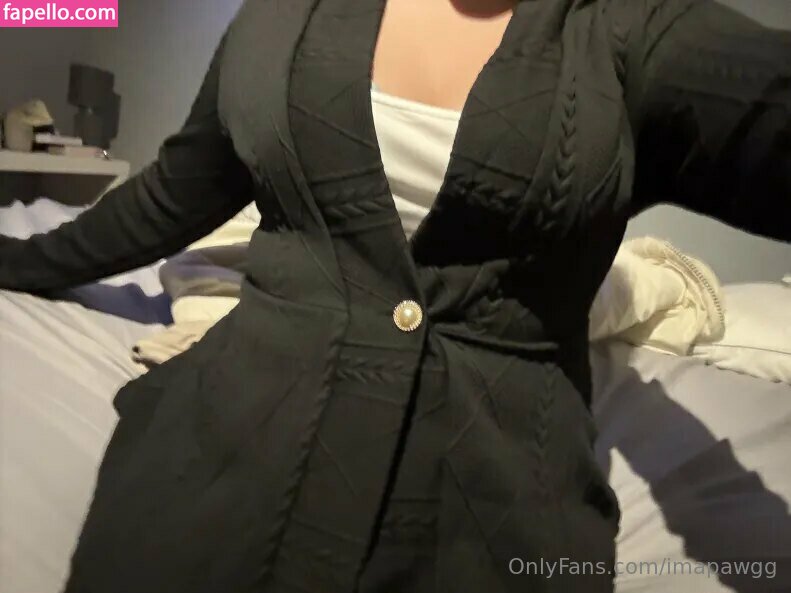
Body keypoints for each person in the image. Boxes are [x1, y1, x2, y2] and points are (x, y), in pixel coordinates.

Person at [0, 0, 789, 591]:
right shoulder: (278, 19)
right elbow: (171, 194)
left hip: (494, 501)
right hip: (226, 441)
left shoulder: (630, 30)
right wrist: (22, 259)